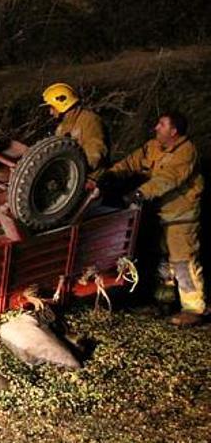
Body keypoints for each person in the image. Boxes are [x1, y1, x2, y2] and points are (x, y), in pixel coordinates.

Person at [103, 112, 205, 326]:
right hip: (160, 214)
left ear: (174, 131)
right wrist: (110, 175)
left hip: (180, 216)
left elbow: (167, 179)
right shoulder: (153, 146)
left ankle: (194, 309)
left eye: (162, 124)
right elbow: (131, 162)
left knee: (183, 262)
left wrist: (139, 193)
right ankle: (163, 303)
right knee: (162, 261)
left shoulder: (186, 152)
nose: (156, 127)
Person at [42, 82, 108, 174]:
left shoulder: (90, 121)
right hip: (72, 179)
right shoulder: (61, 126)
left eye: (52, 107)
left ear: (61, 103)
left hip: (92, 179)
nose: (50, 112)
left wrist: (75, 172)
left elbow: (95, 154)